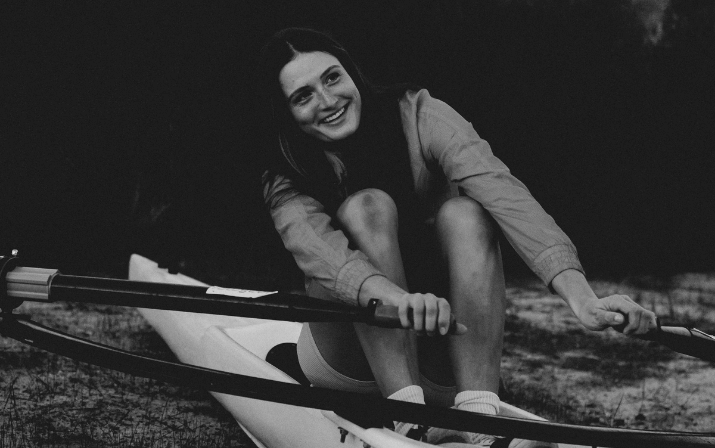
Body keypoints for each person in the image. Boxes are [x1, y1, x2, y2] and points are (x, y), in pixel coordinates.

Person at [257, 27, 657, 447]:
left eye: (332, 77)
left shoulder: (419, 114)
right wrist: (397, 300)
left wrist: (582, 298)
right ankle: (407, 421)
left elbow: (504, 194)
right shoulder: (282, 173)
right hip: (348, 364)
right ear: (286, 113)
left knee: (468, 212)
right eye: (303, 96)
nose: (327, 101)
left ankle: (479, 419)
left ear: (351, 72)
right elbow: (322, 254)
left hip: (439, 357)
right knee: (367, 207)